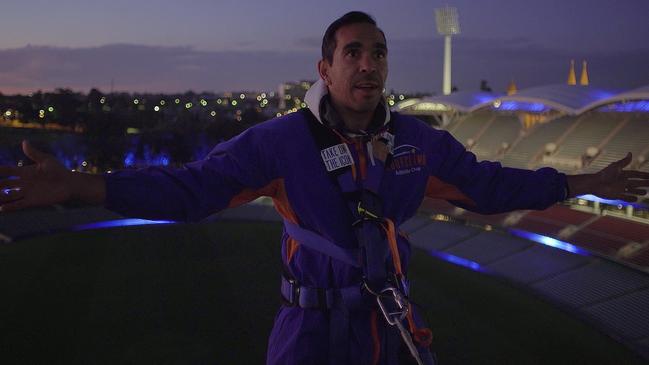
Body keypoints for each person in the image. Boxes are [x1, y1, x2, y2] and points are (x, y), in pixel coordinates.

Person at [1, 11, 648, 365]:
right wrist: (85, 187)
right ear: (325, 67)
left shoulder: (417, 142)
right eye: (353, 52)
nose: (368, 63)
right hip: (308, 333)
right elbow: (190, 189)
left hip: (388, 329)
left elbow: (489, 184)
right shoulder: (280, 141)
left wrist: (579, 180)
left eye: (379, 52)